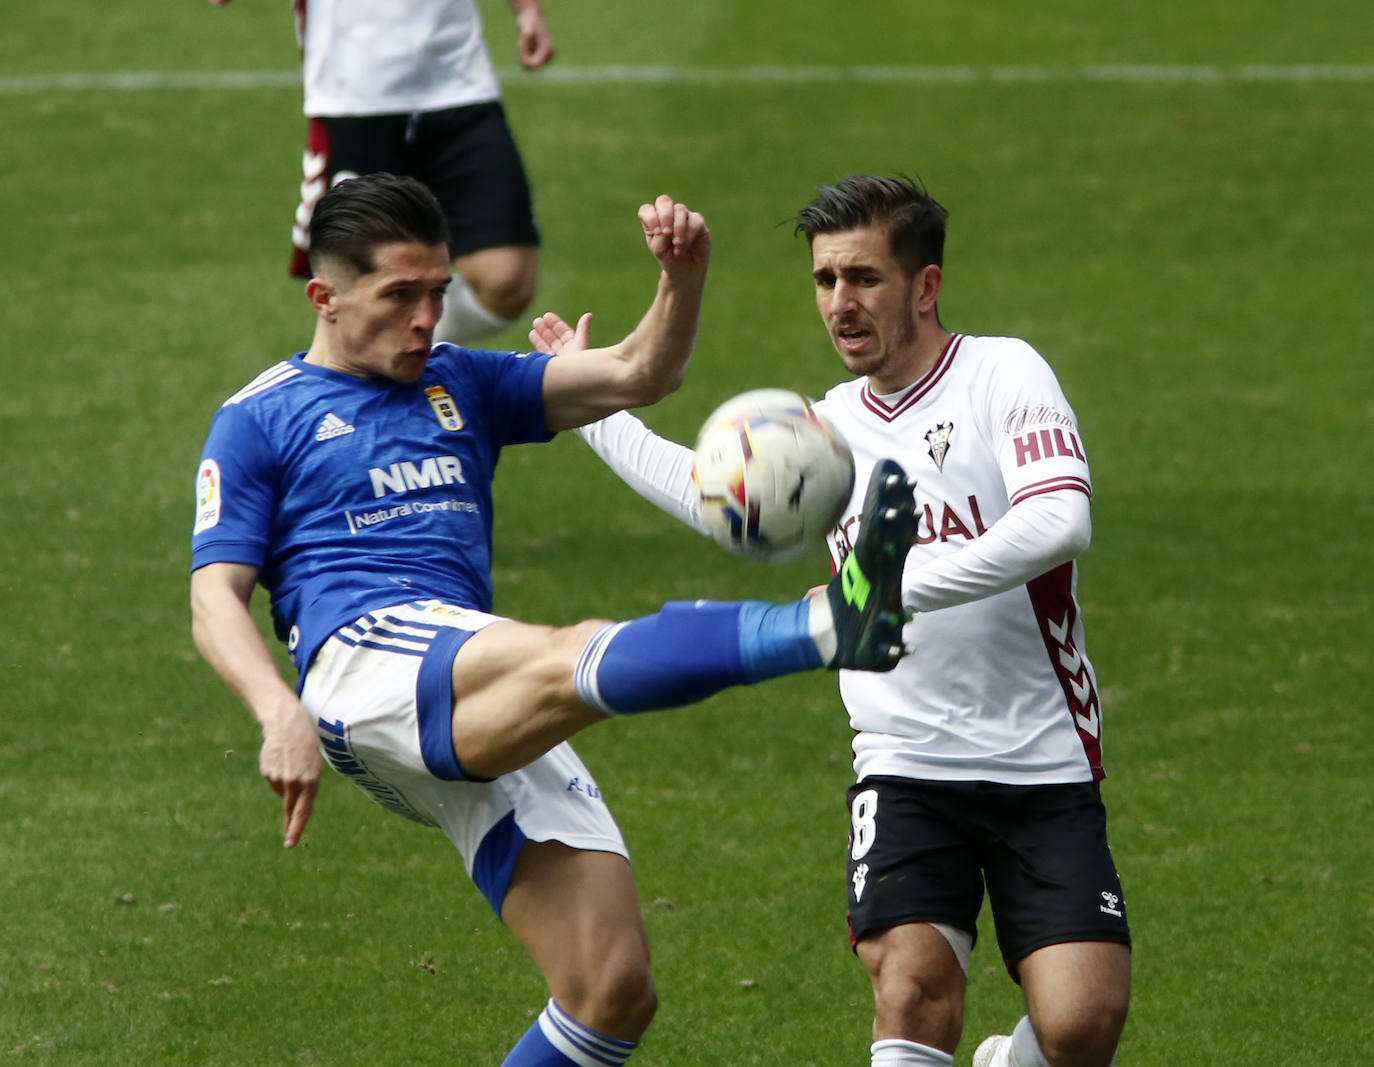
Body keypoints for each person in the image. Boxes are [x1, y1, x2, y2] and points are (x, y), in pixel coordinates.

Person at [189, 172, 917, 1067]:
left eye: (438, 292)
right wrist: (276, 711)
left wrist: (680, 279)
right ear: (325, 297)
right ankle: (823, 629)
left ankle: (821, 628)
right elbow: (212, 596)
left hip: (461, 670)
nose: (428, 318)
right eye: (401, 297)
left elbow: (638, 373)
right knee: (570, 651)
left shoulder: (461, 381)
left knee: (610, 988)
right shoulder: (260, 418)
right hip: (365, 661)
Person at [533, 175, 1131, 1067]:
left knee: (1082, 1023)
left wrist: (892, 589)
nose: (840, 304)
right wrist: (593, 414)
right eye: (824, 281)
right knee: (913, 990)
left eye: (863, 279)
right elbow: (717, 493)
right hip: (904, 761)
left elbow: (1058, 522)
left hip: (1040, 755)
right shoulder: (831, 428)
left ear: (925, 286)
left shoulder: (1004, 373)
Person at [210, 0, 551, 343]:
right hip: (353, 94)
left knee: (507, 278)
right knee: (357, 287)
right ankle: (357, 382)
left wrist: (528, 11)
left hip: (460, 85)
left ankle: (423, 355)